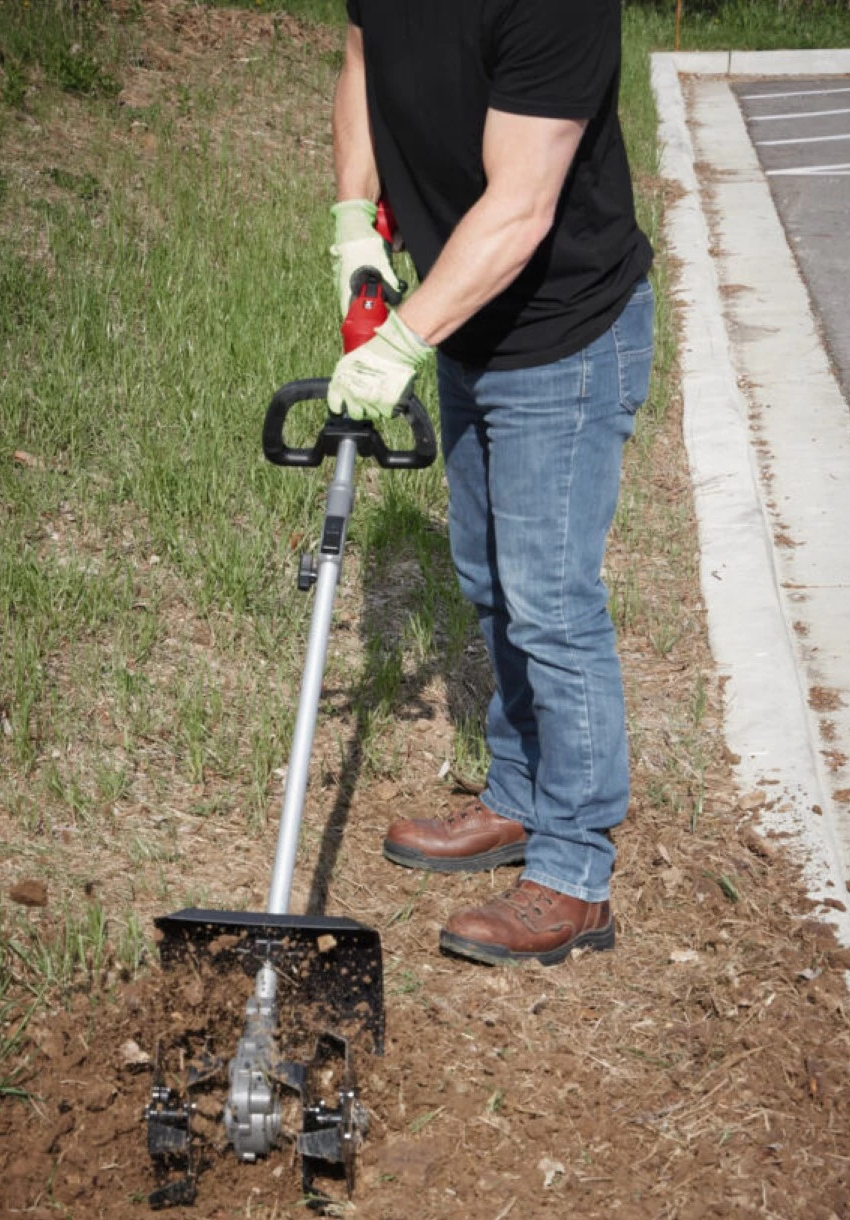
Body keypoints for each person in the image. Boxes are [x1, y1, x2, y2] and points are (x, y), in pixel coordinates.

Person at [327, 0, 654, 967]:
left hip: (564, 331)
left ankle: (574, 871)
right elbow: (359, 50)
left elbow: (518, 209)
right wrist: (354, 214)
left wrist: (400, 341)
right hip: (465, 315)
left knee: (550, 605)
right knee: (488, 583)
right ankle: (517, 797)